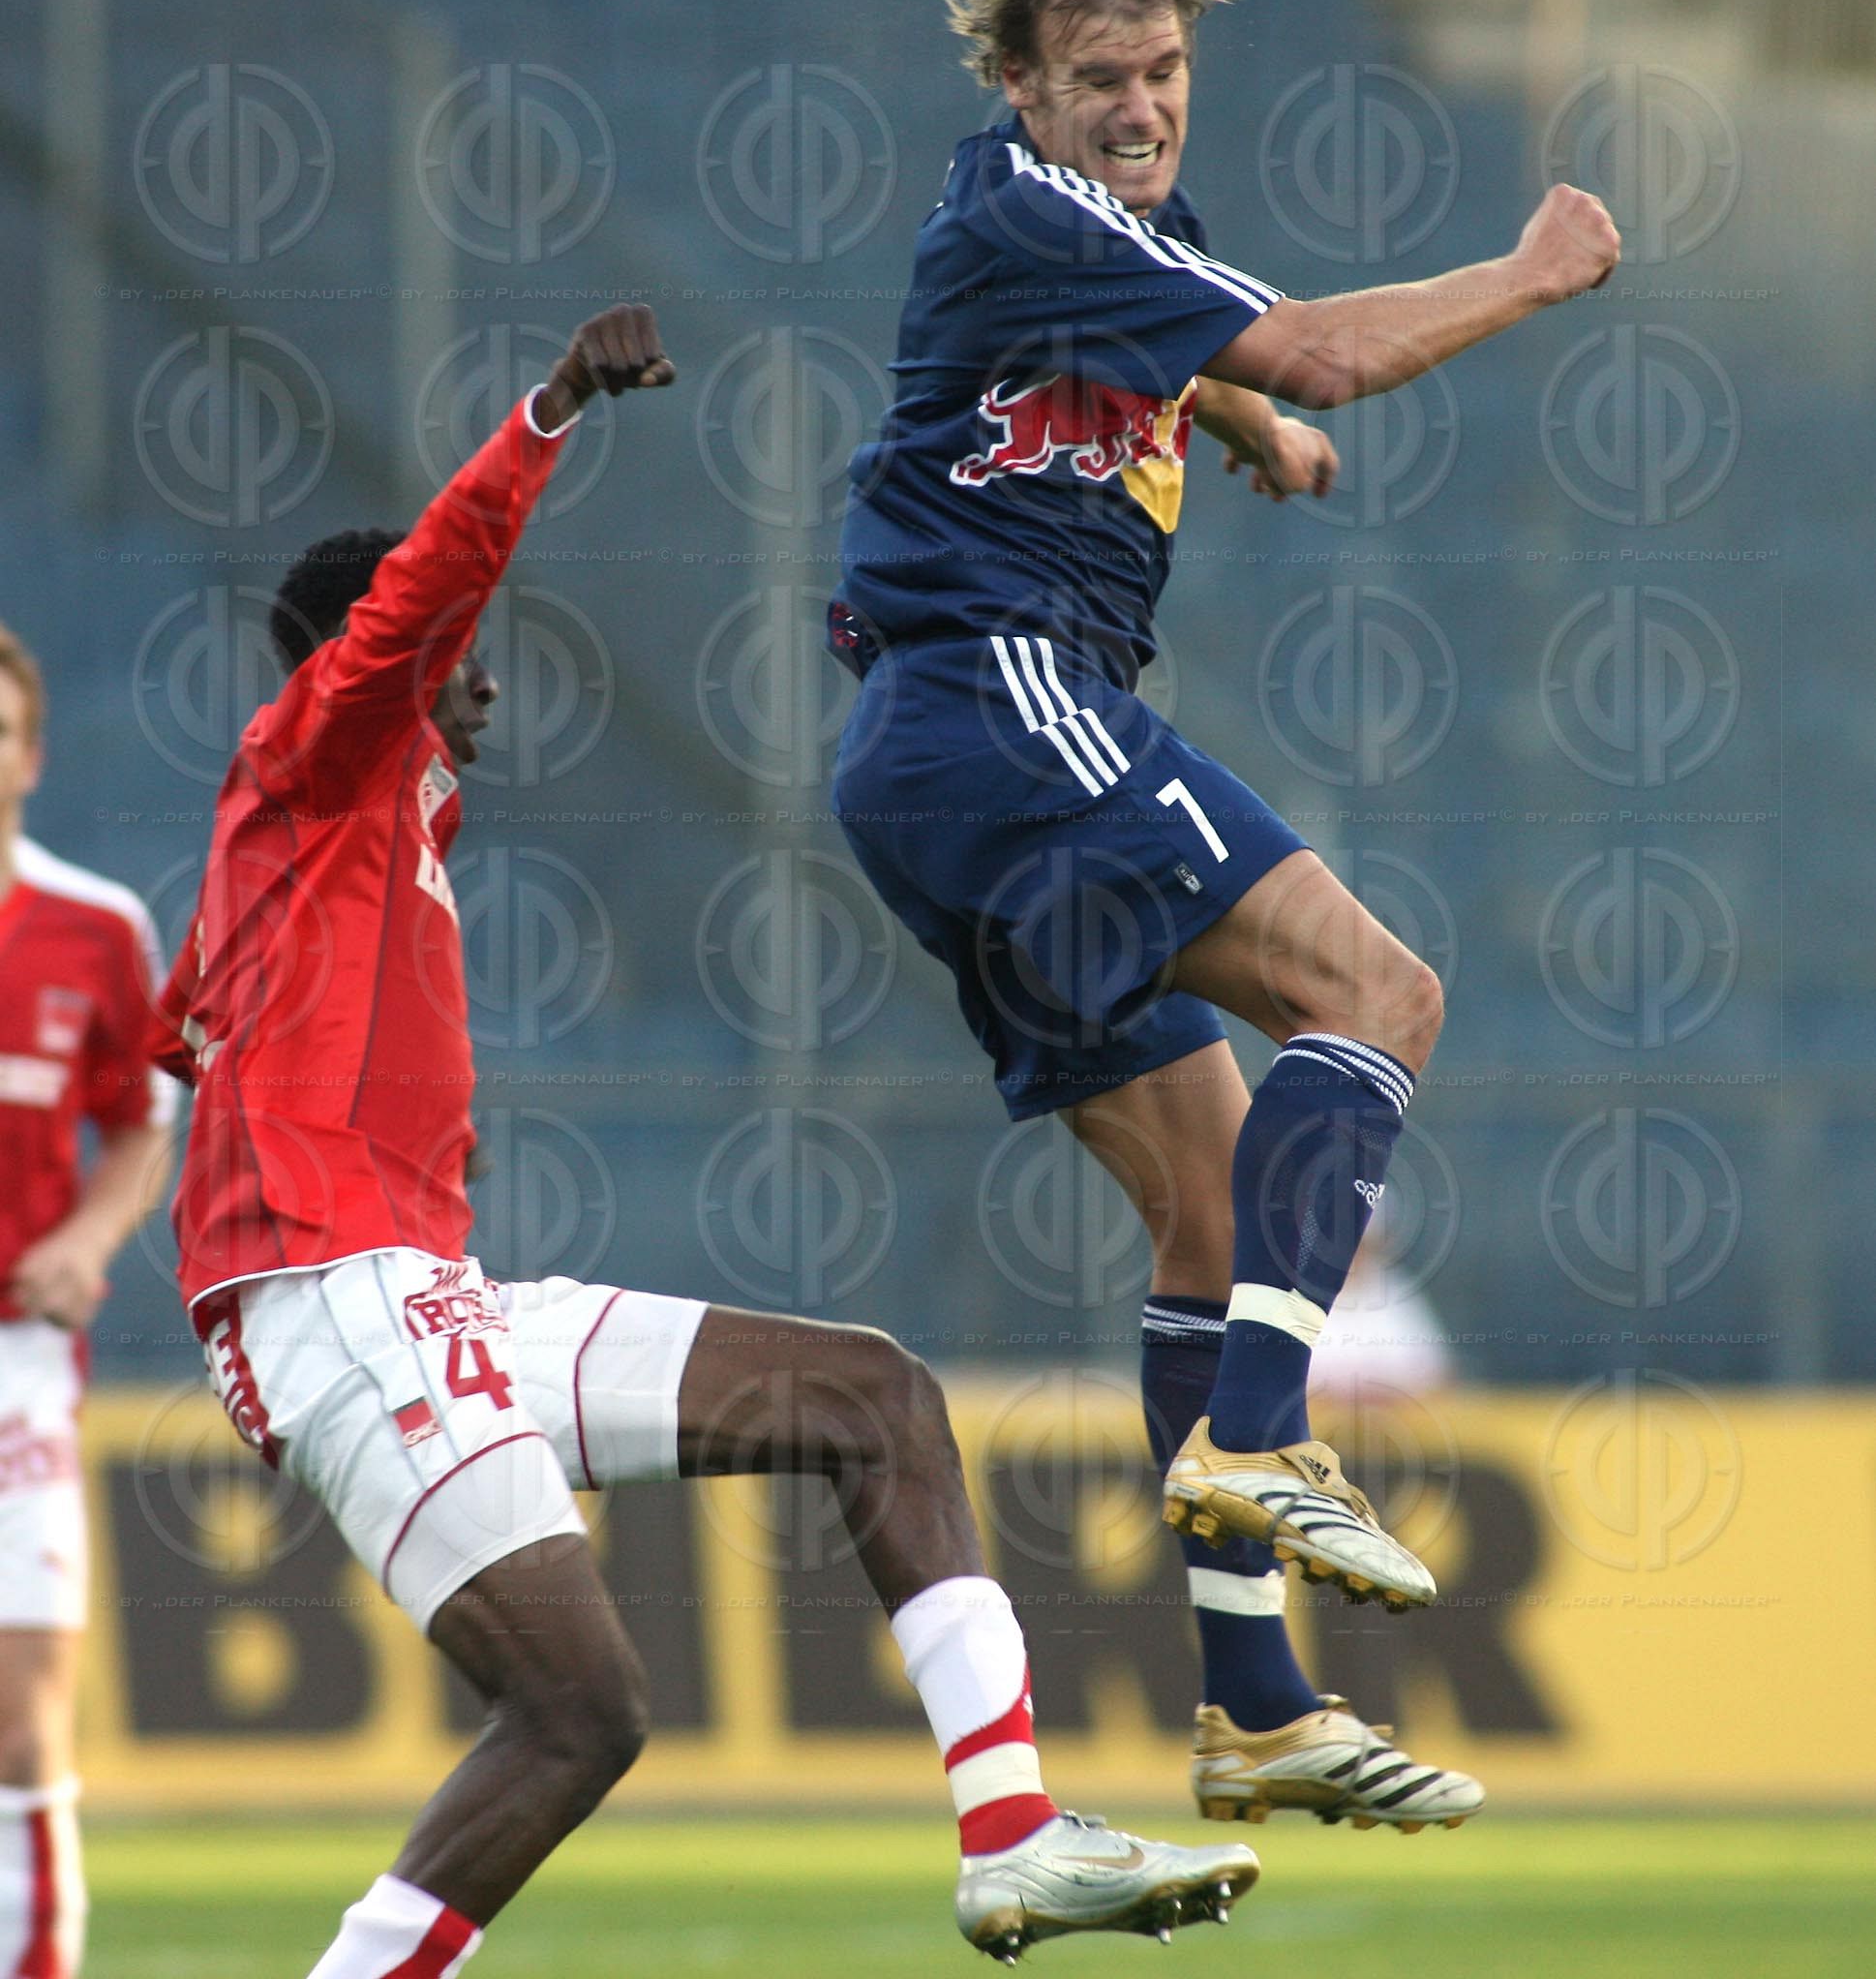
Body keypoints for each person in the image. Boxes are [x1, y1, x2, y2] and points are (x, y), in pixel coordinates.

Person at [149, 305, 1257, 1977]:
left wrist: (278, 1087)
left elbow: (183, 1022)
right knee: (577, 1711)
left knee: (874, 1401)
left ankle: (1013, 1834)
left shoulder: (314, 839)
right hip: (342, 1291)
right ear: (381, 661)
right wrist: (548, 409)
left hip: (421, 1293)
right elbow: (419, 596)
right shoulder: (320, 745)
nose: (487, 678)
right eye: (464, 652)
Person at [828, 0, 1621, 1832]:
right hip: (1006, 699)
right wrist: (1529, 272)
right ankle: (1263, 1433)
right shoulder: (1033, 210)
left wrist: (1233, 415)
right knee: (1380, 992)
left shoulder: (1103, 244)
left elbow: (1174, 357)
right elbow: (1326, 349)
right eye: (1098, 77)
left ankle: (1256, 1707)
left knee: (1205, 1205)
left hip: (938, 771)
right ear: (1023, 90)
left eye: (1164, 71)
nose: (1139, 105)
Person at [0, 624, 175, 1979]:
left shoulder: (98, 926)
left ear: (31, 756)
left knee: (22, 1726)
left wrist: (89, 1232)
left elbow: (140, 1122)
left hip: (18, 1366)